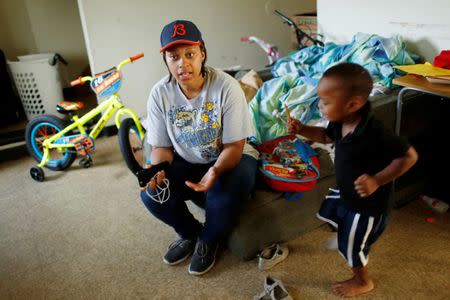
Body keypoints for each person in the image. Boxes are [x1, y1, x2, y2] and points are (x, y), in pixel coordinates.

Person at [287, 62, 418, 297]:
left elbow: (410, 156)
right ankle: (343, 228)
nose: (320, 105)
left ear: (353, 104)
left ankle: (363, 280)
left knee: (353, 247)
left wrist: (377, 180)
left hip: (368, 205)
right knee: (330, 210)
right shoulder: (340, 119)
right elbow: (326, 137)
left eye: (325, 102)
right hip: (347, 190)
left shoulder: (376, 132)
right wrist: (302, 129)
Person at [140, 19, 258, 276]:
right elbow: (161, 147)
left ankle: (208, 240)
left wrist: (214, 172)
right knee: (152, 194)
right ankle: (190, 234)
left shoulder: (226, 87)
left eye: (190, 54)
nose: (182, 63)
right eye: (174, 57)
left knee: (221, 195)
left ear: (202, 53)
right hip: (188, 160)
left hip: (232, 159)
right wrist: (157, 169)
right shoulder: (159, 94)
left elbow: (235, 146)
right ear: (166, 61)